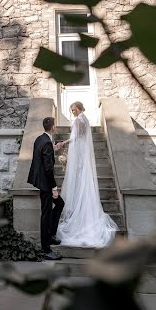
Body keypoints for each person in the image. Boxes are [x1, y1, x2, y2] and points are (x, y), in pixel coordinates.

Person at [56, 101, 118, 248]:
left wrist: (64, 143)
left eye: (73, 110)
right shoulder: (85, 119)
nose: (72, 112)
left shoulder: (79, 120)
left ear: (77, 108)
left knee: (80, 185)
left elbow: (76, 138)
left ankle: (80, 221)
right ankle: (88, 218)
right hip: (83, 155)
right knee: (85, 186)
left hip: (80, 154)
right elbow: (81, 138)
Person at [27, 116, 64, 260]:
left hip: (41, 181)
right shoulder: (46, 142)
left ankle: (51, 235)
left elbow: (43, 153)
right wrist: (54, 187)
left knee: (59, 204)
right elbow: (48, 168)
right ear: (53, 127)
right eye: (56, 125)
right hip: (46, 184)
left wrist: (54, 147)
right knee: (46, 215)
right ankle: (46, 249)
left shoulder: (40, 139)